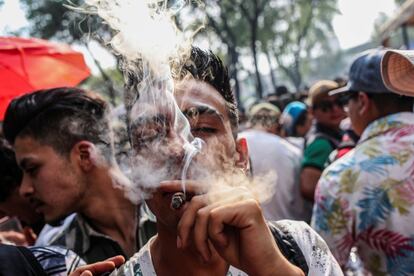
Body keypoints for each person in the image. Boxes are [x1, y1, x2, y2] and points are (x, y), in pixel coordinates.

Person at [91, 47, 342, 276]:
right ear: (134, 168)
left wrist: (273, 269)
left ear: (240, 156)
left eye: (203, 128)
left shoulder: (300, 248)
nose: (180, 149)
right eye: (152, 135)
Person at [2, 88, 152, 263]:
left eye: (32, 169)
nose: (24, 189)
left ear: (84, 156)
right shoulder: (56, 258)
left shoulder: (170, 205)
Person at [311, 48, 414, 274]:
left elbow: (324, 268)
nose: (346, 110)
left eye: (347, 100)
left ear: (363, 101)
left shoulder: (342, 177)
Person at [239, 103, 312, 222]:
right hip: (285, 229)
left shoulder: (234, 143)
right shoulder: (292, 151)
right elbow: (300, 205)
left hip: (244, 226)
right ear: (277, 126)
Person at [300, 80, 346, 202]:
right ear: (312, 111)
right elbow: (308, 187)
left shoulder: (336, 133)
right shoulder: (321, 144)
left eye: (339, 102)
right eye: (326, 106)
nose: (335, 109)